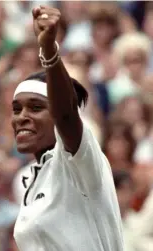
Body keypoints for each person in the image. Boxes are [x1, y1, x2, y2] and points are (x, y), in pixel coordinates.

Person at [12, 6, 124, 251]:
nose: (22, 117)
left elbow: (66, 115)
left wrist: (49, 50)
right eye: (16, 109)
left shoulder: (78, 161)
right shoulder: (34, 178)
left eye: (35, 107)